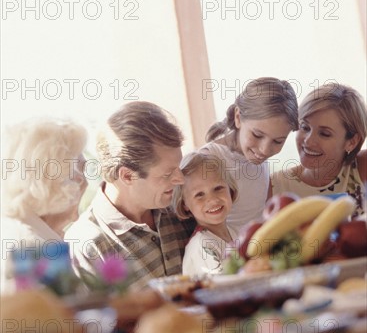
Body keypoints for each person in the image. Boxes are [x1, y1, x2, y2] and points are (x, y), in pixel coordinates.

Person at [65, 101, 196, 291]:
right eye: (167, 174)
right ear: (127, 175)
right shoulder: (86, 245)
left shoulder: (180, 209)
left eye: (179, 167)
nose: (180, 179)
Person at [201, 77, 298, 235]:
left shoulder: (260, 161)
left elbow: (265, 215)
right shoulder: (207, 160)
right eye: (257, 135)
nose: (265, 150)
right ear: (238, 117)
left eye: (278, 141)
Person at [1, 117, 88, 294]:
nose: (84, 182)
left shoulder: (17, 230)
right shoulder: (37, 247)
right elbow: (54, 319)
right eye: (81, 170)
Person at [271, 83, 367, 215]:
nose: (308, 141)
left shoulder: (362, 168)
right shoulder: (275, 186)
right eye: (305, 127)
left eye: (325, 134)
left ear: (352, 142)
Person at [173, 152, 238, 276]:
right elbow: (221, 288)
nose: (213, 200)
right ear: (184, 205)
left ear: (230, 189)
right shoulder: (201, 246)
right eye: (199, 195)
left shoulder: (234, 233)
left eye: (218, 188)